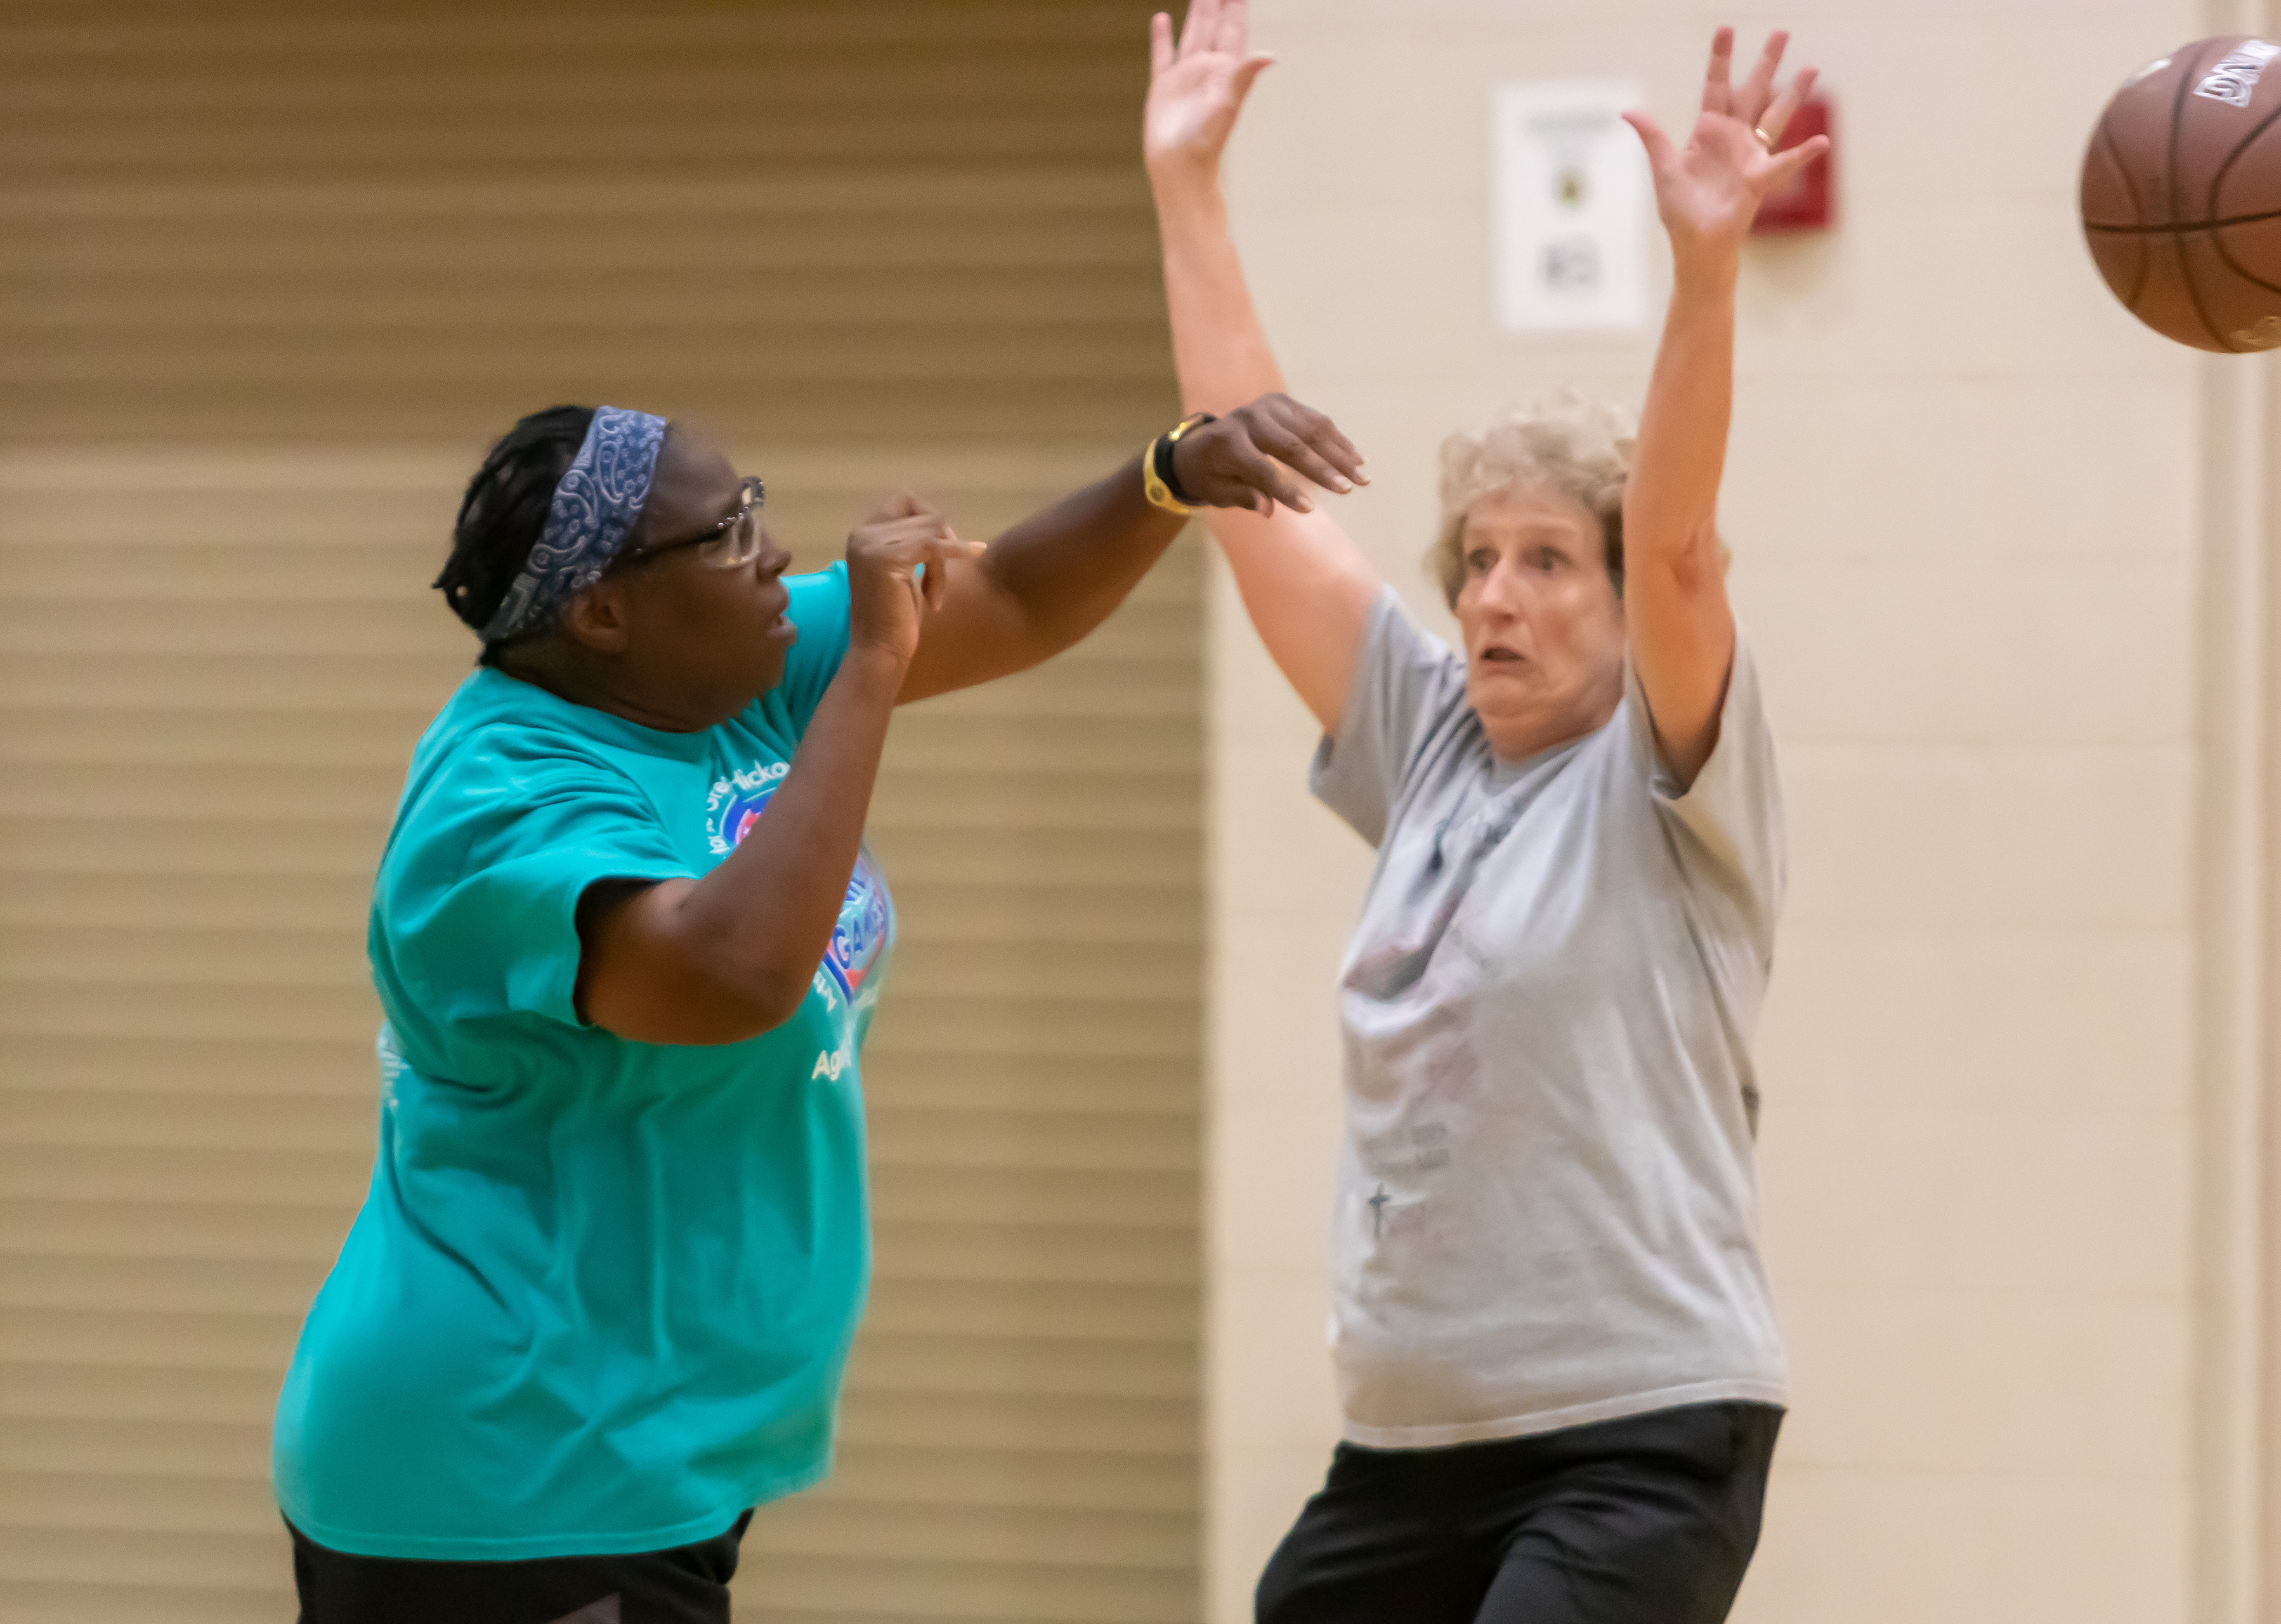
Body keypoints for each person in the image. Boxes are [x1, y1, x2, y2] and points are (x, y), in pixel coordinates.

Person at [271, 398, 1362, 1623]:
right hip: (504, 1476)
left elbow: (1016, 602)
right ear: (603, 611)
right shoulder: (501, 805)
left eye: (755, 509)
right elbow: (731, 976)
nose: (774, 553)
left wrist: (1169, 473)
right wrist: (873, 667)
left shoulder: (719, 674)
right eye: (728, 534)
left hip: (633, 1451)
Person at [1143, 5, 1829, 1620]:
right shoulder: (1434, 732)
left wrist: (1707, 274)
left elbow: (1675, 545)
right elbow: (1258, 506)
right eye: (1475, 558)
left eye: (1545, 559)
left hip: (1636, 1432)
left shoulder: (1668, 767)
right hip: (1408, 1445)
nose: (1495, 594)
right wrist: (1187, 190)